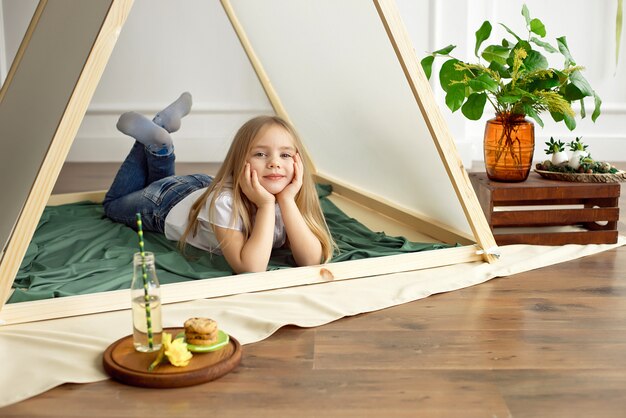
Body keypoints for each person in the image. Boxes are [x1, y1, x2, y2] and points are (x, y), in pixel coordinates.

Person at [103, 92, 335, 273]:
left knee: (159, 182)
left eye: (285, 155)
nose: (275, 163)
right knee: (113, 204)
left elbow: (311, 260)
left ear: (298, 162)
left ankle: (160, 138)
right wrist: (265, 206)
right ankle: (159, 141)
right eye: (261, 155)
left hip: (202, 186)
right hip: (165, 204)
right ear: (239, 161)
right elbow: (251, 267)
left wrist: (286, 200)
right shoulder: (225, 203)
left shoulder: (290, 197)